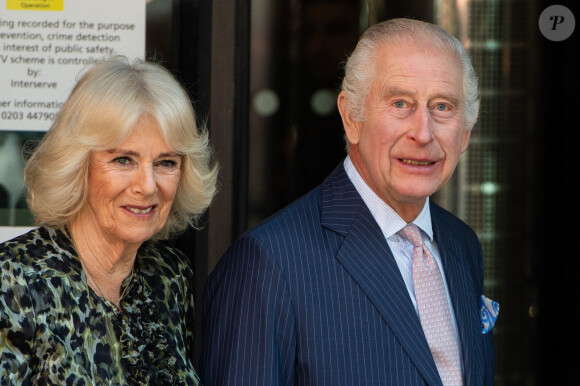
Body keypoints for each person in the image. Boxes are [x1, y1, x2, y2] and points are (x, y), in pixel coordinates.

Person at [200, 18, 498, 385]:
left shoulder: (462, 244)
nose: (423, 132)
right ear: (351, 117)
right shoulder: (269, 261)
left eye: (442, 107)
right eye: (400, 103)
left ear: (465, 132)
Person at [0, 56, 218, 385]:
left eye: (166, 162)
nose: (147, 185)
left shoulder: (170, 276)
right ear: (78, 165)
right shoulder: (13, 280)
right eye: (123, 159)